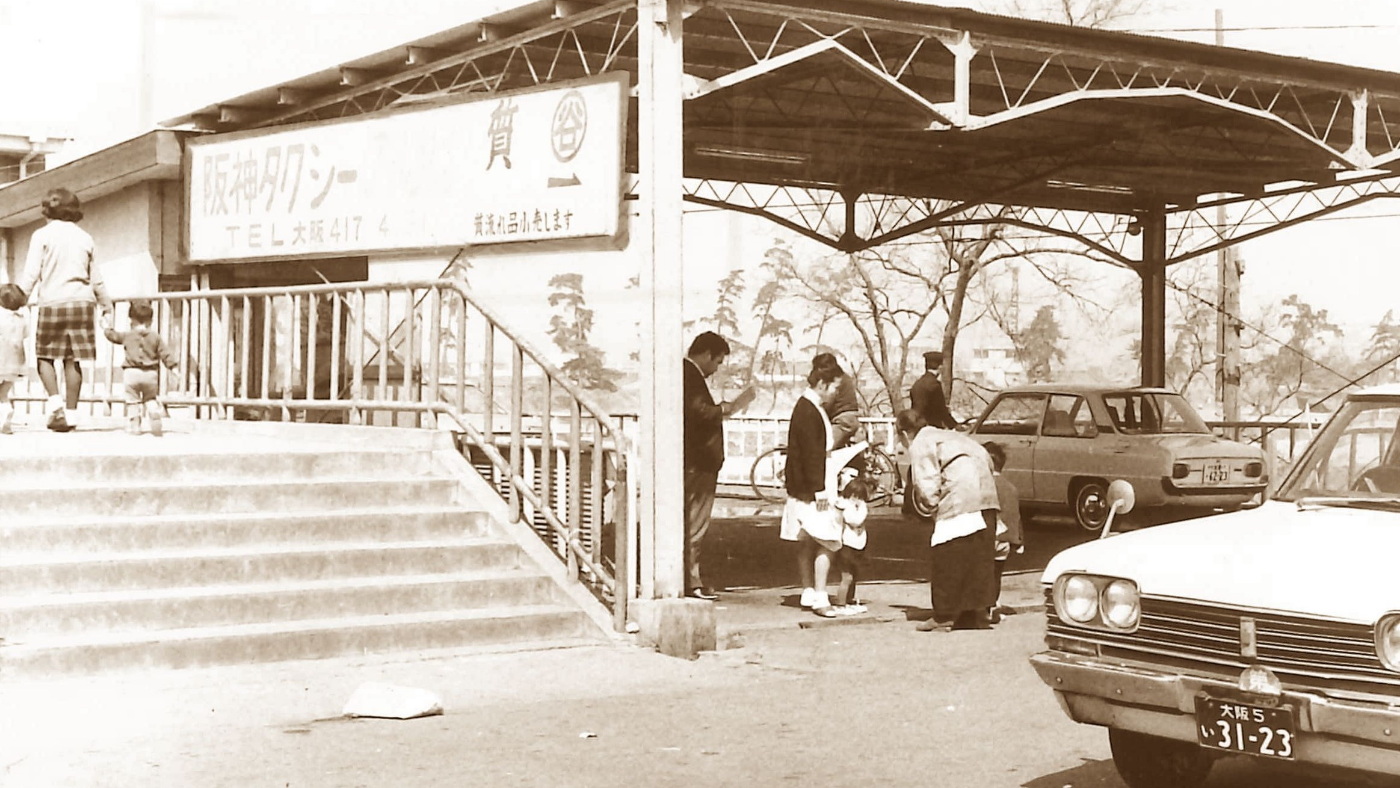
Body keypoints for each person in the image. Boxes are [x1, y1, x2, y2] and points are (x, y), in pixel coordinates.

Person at [16, 188, 113, 432]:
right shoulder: (85, 237)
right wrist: (106, 305)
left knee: (45, 356)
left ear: (48, 212)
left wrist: (16, 301)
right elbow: (96, 278)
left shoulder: (41, 235)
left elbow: (31, 274)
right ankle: (71, 415)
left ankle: (55, 403)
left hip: (53, 302)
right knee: (73, 360)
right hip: (82, 303)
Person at [897, 408, 1000, 632]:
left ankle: (944, 615)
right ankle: (976, 614)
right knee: (979, 557)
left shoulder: (921, 442)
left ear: (904, 434)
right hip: (987, 494)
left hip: (960, 495)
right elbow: (987, 460)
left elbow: (926, 483)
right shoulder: (953, 436)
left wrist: (930, 506)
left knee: (948, 556)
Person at [683, 331, 756, 601]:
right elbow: (698, 411)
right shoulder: (689, 375)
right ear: (706, 354)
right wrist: (726, 408)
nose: (717, 368)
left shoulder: (685, 374)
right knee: (695, 525)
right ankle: (691, 581)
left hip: (695, 462)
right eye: (718, 361)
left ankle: (691, 579)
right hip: (699, 463)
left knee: (691, 523)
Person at [780, 359, 847, 617]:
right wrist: (819, 488)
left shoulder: (807, 406)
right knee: (827, 540)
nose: (836, 393)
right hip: (815, 486)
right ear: (822, 384)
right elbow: (811, 452)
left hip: (804, 486)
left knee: (806, 539)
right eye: (834, 387)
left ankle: (809, 589)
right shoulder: (810, 410)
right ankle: (820, 595)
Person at [103, 300, 180, 436]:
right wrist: (173, 368)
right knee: (150, 398)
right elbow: (165, 353)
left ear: (131, 320)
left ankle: (135, 426)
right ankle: (154, 411)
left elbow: (113, 336)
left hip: (131, 373)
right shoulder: (155, 337)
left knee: (132, 400)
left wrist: (106, 328)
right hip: (150, 374)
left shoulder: (127, 335)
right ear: (150, 321)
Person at [983, 442, 1025, 623]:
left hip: (988, 536)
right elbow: (1015, 515)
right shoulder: (1010, 487)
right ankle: (992, 606)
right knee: (996, 574)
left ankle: (983, 608)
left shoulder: (984, 485)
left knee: (982, 572)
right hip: (1005, 539)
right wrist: (1019, 540)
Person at [832, 472, 871, 616]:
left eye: (860, 497)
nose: (857, 500)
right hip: (846, 546)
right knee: (846, 577)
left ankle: (849, 600)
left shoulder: (859, 507)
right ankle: (841, 603)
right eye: (854, 496)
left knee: (854, 576)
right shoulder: (845, 507)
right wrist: (858, 507)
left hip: (858, 546)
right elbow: (855, 520)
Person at [813, 352, 861, 448]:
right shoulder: (844, 377)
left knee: (822, 448)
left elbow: (828, 403)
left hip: (843, 421)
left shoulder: (835, 381)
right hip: (849, 419)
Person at [0, 284, 28, 435]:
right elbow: (25, 335)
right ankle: (6, 414)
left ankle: (5, 412)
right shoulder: (21, 319)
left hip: (1, 359)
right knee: (3, 392)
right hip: (15, 364)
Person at [909, 350, 957, 430]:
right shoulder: (934, 385)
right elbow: (941, 410)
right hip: (932, 429)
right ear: (940, 367)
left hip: (917, 427)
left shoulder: (917, 384)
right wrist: (954, 425)